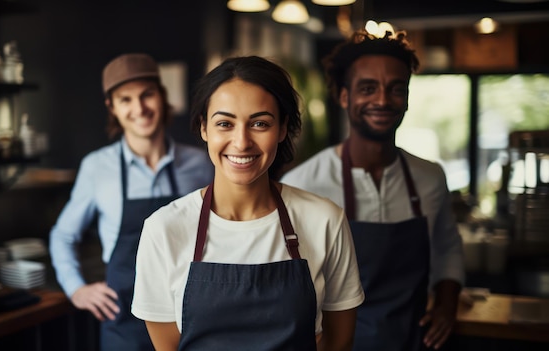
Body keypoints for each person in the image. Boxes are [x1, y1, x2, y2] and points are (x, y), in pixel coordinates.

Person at [131, 56, 365, 351]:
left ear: (282, 129)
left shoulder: (324, 219)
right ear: (204, 128)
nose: (241, 142)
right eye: (225, 123)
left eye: (259, 123)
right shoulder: (164, 228)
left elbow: (339, 342)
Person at [281, 30, 465, 351]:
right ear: (343, 96)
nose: (382, 100)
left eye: (396, 89)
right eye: (368, 88)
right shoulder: (302, 185)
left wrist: (447, 305)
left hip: (413, 340)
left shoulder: (430, 177)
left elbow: (447, 247)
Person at [49, 53, 214, 350]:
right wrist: (77, 289)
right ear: (112, 107)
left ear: (162, 97)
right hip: (124, 323)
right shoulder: (97, 167)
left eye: (146, 95)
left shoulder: (201, 164)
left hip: (192, 317)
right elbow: (63, 235)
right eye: (125, 99)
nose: (139, 108)